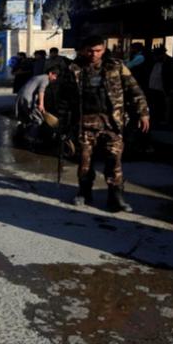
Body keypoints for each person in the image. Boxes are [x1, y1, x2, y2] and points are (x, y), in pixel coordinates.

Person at [59, 35, 150, 212]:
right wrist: (62, 124)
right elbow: (64, 99)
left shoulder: (116, 66)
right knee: (85, 161)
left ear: (103, 49)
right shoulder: (73, 69)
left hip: (112, 124)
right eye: (90, 51)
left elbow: (135, 90)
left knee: (114, 161)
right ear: (83, 50)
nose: (94, 54)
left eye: (98, 50)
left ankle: (116, 197)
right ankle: (84, 192)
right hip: (84, 124)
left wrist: (143, 113)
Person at [15, 66, 60, 145]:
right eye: (55, 76)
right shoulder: (45, 79)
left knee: (26, 118)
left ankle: (21, 136)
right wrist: (41, 104)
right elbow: (41, 91)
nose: (55, 78)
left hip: (21, 97)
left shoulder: (39, 77)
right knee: (38, 120)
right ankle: (31, 137)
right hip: (26, 98)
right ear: (50, 73)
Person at [147, 46, 173, 124]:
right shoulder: (156, 62)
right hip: (155, 87)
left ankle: (166, 119)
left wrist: (172, 88)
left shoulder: (172, 62)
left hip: (165, 87)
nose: (154, 58)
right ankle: (158, 118)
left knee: (166, 104)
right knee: (157, 104)